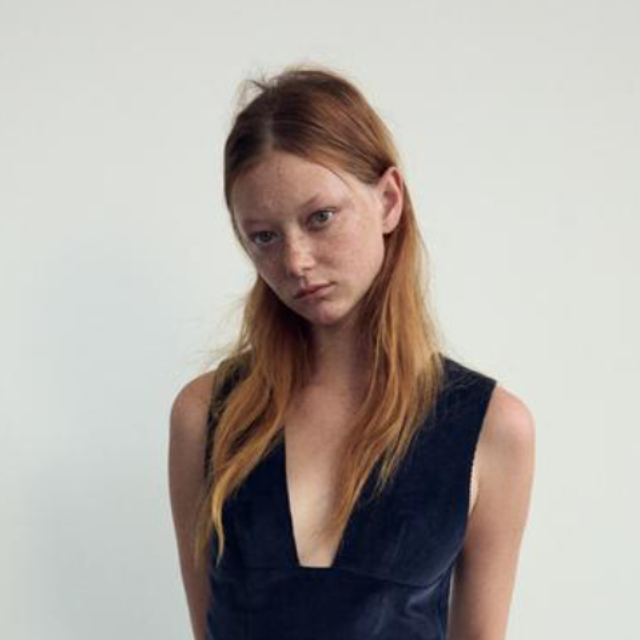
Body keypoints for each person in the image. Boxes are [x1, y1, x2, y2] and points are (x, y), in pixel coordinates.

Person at [168, 63, 536, 640]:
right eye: (264, 236)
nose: (296, 261)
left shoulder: (491, 427)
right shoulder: (206, 414)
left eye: (320, 218)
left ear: (388, 200)